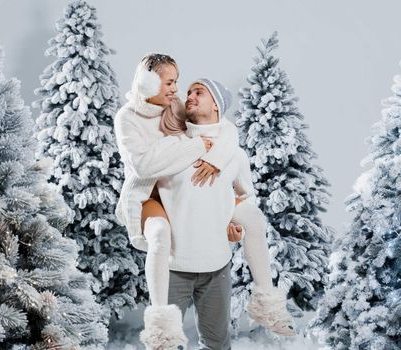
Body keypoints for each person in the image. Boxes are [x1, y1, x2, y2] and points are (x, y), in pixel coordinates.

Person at [114, 55, 294, 350]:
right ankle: (161, 327)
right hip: (175, 258)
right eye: (174, 84)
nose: (182, 92)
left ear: (216, 106)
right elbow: (147, 168)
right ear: (148, 82)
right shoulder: (169, 138)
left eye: (196, 90)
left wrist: (231, 221)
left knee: (217, 342)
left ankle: (267, 302)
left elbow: (229, 135)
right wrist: (196, 146)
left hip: (216, 265)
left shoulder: (230, 150)